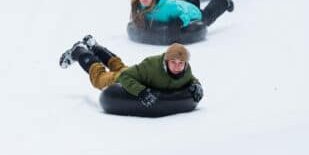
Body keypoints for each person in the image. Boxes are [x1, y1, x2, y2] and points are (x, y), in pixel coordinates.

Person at [59, 35, 204, 108]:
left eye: (181, 64)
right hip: (122, 79)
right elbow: (125, 76)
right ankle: (79, 51)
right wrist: (141, 91)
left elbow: (190, 78)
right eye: (174, 62)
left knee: (120, 66)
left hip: (135, 73)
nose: (177, 66)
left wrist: (197, 85)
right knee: (100, 77)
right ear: (166, 61)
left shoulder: (185, 70)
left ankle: (95, 47)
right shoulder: (151, 66)